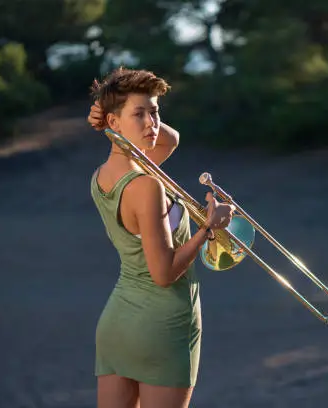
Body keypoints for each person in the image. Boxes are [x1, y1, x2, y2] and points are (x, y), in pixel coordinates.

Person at [86, 67, 235, 408]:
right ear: (114, 122)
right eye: (139, 114)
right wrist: (207, 228)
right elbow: (163, 273)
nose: (152, 124)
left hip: (117, 326)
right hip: (162, 327)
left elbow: (171, 139)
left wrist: (117, 122)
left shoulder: (103, 177)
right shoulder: (147, 184)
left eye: (155, 112)